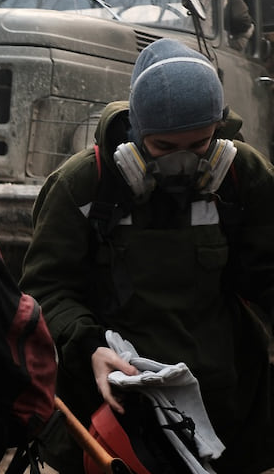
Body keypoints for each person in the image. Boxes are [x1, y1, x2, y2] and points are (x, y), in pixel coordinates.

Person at [21, 38, 274, 473]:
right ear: (136, 132)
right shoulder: (85, 186)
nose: (184, 162)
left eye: (200, 145)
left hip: (227, 408)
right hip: (118, 413)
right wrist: (89, 347)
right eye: (162, 147)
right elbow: (46, 289)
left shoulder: (242, 177)